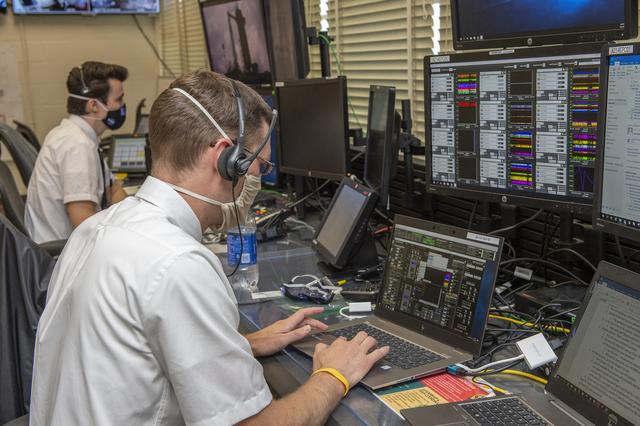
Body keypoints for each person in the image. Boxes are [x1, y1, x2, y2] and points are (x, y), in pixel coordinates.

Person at [29, 70, 390, 425]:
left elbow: (128, 358)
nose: (255, 180)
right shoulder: (179, 264)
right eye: (256, 165)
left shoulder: (97, 228)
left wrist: (238, 345)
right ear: (224, 158)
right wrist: (334, 376)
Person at [24, 61, 129, 243]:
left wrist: (136, 215)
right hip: (63, 256)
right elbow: (83, 222)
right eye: (118, 100)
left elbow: (113, 189)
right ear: (93, 106)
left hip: (69, 246)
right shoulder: (76, 146)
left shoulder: (75, 135)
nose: (122, 106)